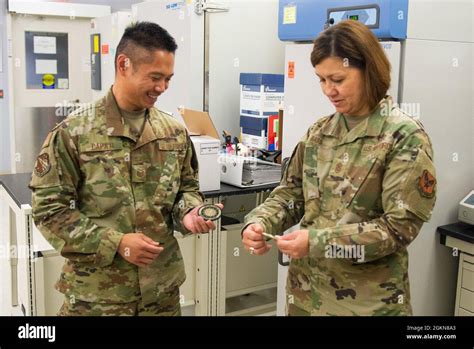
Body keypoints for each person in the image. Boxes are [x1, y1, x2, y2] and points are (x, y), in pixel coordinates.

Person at [242, 20, 437, 316]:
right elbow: (291, 195)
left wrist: (318, 242)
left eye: (338, 79)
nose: (328, 91)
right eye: (321, 80)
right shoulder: (319, 133)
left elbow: (398, 229)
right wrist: (259, 223)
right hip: (306, 297)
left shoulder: (404, 136)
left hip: (365, 304)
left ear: (369, 71)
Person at [30, 22, 220, 316]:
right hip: (98, 298)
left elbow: (186, 188)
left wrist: (190, 213)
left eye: (168, 79)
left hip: (161, 295)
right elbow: (48, 210)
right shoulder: (74, 133)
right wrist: (115, 242)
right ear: (124, 64)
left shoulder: (172, 132)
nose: (162, 88)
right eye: (155, 77)